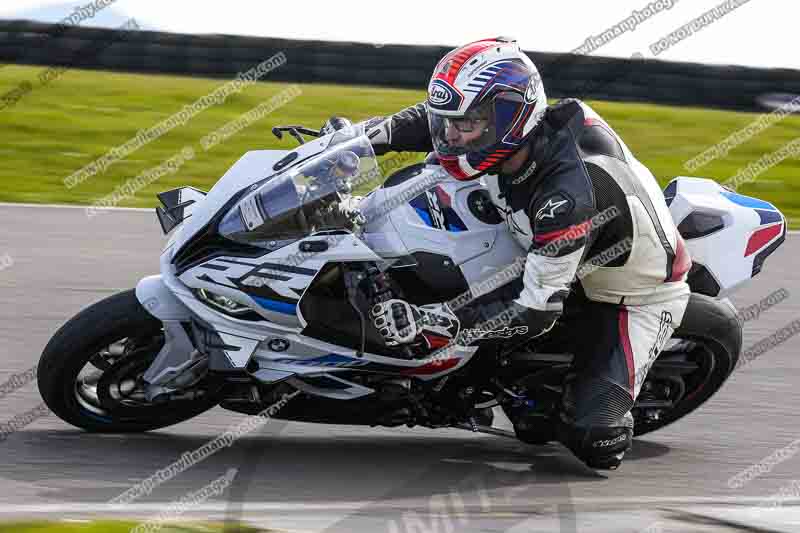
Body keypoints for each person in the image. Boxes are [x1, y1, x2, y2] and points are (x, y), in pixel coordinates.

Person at [329, 37, 691, 470]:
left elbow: (536, 309)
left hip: (628, 295)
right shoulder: (510, 134)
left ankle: (598, 407)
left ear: (507, 120)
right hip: (542, 239)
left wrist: (438, 320)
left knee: (591, 438)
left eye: (466, 124)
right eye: (449, 122)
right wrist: (357, 140)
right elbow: (433, 121)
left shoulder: (565, 199)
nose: (450, 136)